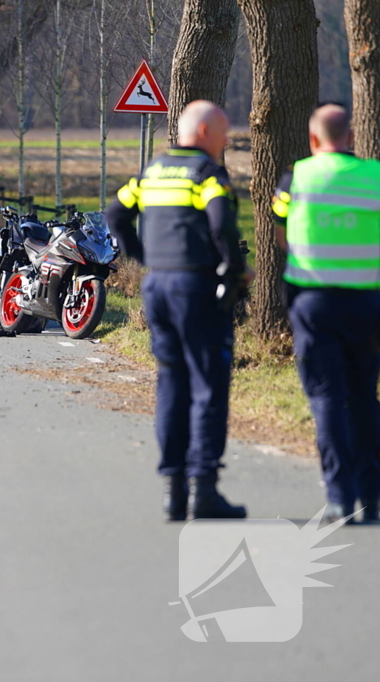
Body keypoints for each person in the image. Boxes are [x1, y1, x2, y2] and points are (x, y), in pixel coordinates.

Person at [106, 100, 252, 521]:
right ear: (205, 133)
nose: (225, 143)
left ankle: (174, 490)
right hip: (196, 286)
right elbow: (222, 222)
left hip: (159, 285)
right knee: (208, 385)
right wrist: (233, 270)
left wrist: (142, 255)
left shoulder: (152, 171)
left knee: (171, 381)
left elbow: (115, 213)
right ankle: (204, 489)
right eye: (223, 135)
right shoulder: (207, 173)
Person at [272, 104, 380, 524]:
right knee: (365, 398)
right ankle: (371, 497)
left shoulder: (295, 178)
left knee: (327, 397)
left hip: (313, 303)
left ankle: (340, 495)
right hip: (365, 302)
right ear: (352, 137)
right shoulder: (379, 179)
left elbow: (279, 233)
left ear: (312, 139)